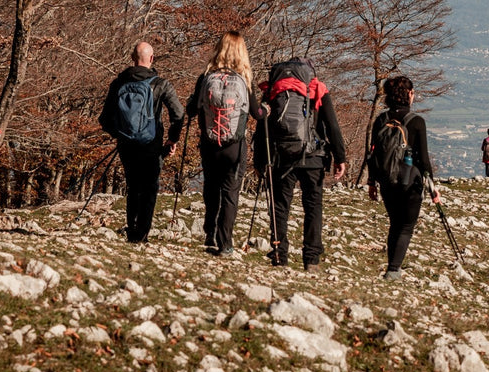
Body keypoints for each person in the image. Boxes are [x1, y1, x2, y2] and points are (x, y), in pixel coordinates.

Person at [253, 57, 346, 271]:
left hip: (280, 157)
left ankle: (279, 254)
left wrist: (259, 159)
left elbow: (262, 127)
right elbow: (332, 126)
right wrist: (340, 158)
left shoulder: (272, 91)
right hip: (313, 157)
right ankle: (311, 259)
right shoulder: (317, 89)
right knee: (313, 207)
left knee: (280, 207)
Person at [185, 31, 265, 257]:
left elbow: (192, 110)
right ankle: (225, 243)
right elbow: (257, 114)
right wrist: (266, 109)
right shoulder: (244, 78)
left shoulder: (206, 76)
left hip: (209, 143)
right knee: (230, 193)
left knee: (211, 188)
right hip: (234, 147)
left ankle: (209, 232)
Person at [99, 41, 185, 243]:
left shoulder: (119, 83)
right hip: (151, 144)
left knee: (133, 186)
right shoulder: (161, 84)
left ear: (132, 58)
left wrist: (120, 134)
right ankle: (142, 234)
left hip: (126, 145)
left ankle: (132, 230)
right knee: (149, 188)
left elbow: (105, 119)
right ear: (152, 59)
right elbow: (178, 114)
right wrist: (172, 139)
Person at [368, 76, 440, 281]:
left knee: (395, 224)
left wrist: (372, 182)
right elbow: (424, 160)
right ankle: (393, 270)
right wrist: (433, 188)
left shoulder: (381, 120)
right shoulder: (416, 121)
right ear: (408, 94)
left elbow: (373, 153)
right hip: (410, 182)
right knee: (406, 226)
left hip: (386, 181)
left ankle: (393, 268)